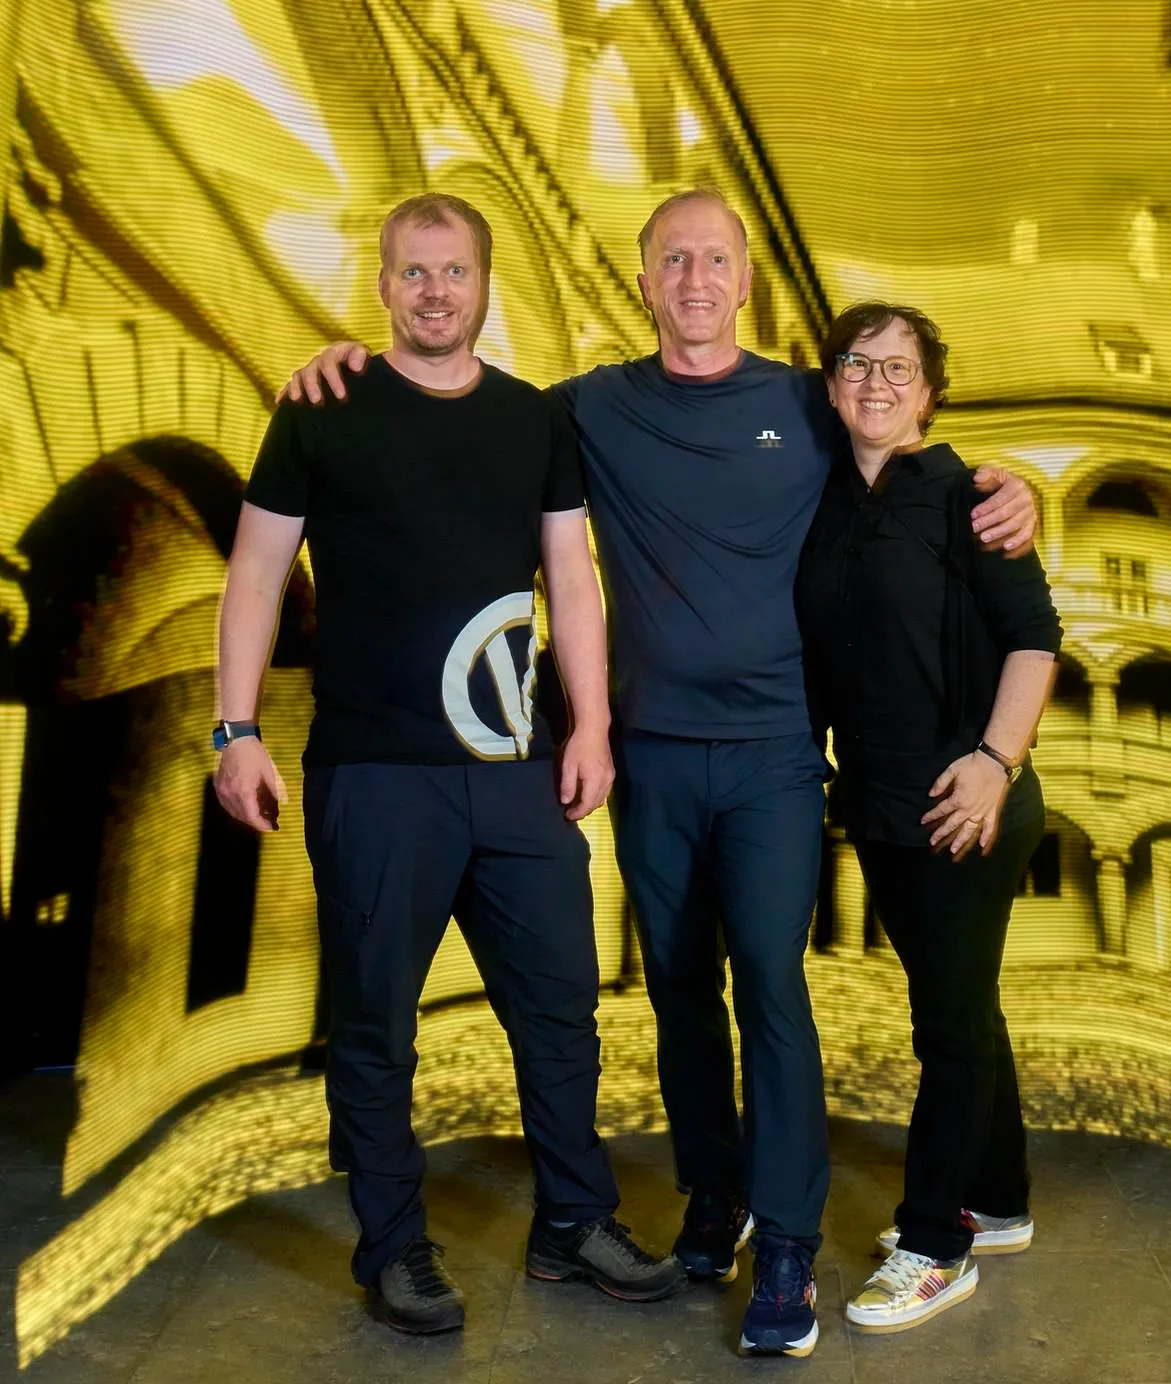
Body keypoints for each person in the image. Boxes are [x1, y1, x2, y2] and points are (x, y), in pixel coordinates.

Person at [280, 187, 1039, 1356]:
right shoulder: (585, 408)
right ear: (644, 282)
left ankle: (785, 1246)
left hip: (777, 759)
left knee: (769, 989)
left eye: (715, 259)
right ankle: (715, 1197)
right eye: (672, 258)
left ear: (745, 282)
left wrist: (1009, 484)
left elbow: (910, 444)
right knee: (679, 992)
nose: (694, 277)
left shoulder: (807, 398)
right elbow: (455, 397)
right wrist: (347, 364)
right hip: (650, 756)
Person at [215, 193, 686, 1336]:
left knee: (561, 1009)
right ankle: (393, 1250)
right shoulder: (322, 409)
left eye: (455, 271)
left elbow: (571, 579)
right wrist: (233, 730)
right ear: (384, 285)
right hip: (376, 773)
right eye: (414, 272)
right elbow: (256, 575)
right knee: (377, 1022)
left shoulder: (533, 421)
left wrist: (588, 724)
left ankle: (573, 1222)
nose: (435, 291)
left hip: (516, 772)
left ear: (485, 285)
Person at [796, 303, 1058, 1334]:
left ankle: (935, 1244)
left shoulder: (972, 497)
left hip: (968, 807)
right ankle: (996, 1200)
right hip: (878, 803)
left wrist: (995, 762)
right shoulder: (815, 502)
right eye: (856, 364)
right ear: (829, 386)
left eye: (897, 368)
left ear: (930, 393)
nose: (874, 382)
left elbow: (1033, 639)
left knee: (944, 1027)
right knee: (961, 1005)